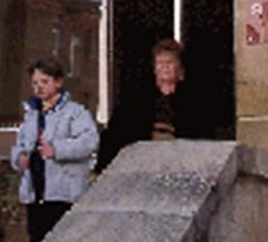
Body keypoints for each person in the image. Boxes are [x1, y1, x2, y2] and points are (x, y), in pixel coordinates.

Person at [11, 57, 99, 242]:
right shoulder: (31, 114)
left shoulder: (75, 112)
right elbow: (20, 143)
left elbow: (89, 141)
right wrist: (19, 157)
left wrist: (57, 150)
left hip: (64, 195)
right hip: (36, 195)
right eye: (35, 83)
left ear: (58, 82)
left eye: (45, 82)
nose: (39, 87)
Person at [96, 38, 213, 172]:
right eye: (160, 63)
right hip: (142, 168)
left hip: (179, 167)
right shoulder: (136, 99)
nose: (165, 67)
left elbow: (202, 141)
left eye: (169, 62)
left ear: (179, 67)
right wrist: (101, 169)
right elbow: (114, 135)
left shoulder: (194, 101)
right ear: (154, 68)